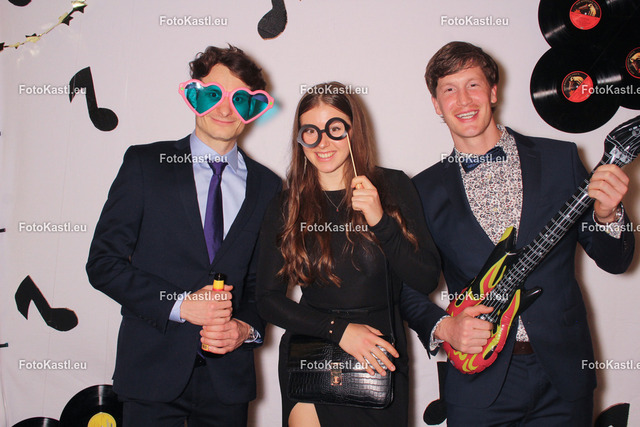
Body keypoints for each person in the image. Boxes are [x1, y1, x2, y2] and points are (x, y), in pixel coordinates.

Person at [401, 41, 635, 426]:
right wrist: (445, 326)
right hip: (477, 384)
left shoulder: (560, 159)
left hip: (563, 376)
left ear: (493, 92)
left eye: (473, 85)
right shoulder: (421, 191)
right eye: (449, 89)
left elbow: (615, 261)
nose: (464, 100)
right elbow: (406, 288)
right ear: (436, 104)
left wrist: (608, 216)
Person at [86, 45, 281, 426]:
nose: (225, 109)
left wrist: (245, 329)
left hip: (228, 385)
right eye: (214, 95)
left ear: (252, 108)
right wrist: (179, 304)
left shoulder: (268, 186)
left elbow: (264, 286)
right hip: (150, 376)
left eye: (239, 99)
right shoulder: (145, 164)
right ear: (194, 96)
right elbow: (103, 264)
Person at [256, 82, 441, 427]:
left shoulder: (393, 186)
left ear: (354, 131)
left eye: (335, 129)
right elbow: (267, 299)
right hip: (313, 354)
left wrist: (381, 221)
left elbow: (426, 278)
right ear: (300, 139)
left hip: (380, 358)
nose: (322, 142)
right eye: (310, 132)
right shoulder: (287, 204)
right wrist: (339, 331)